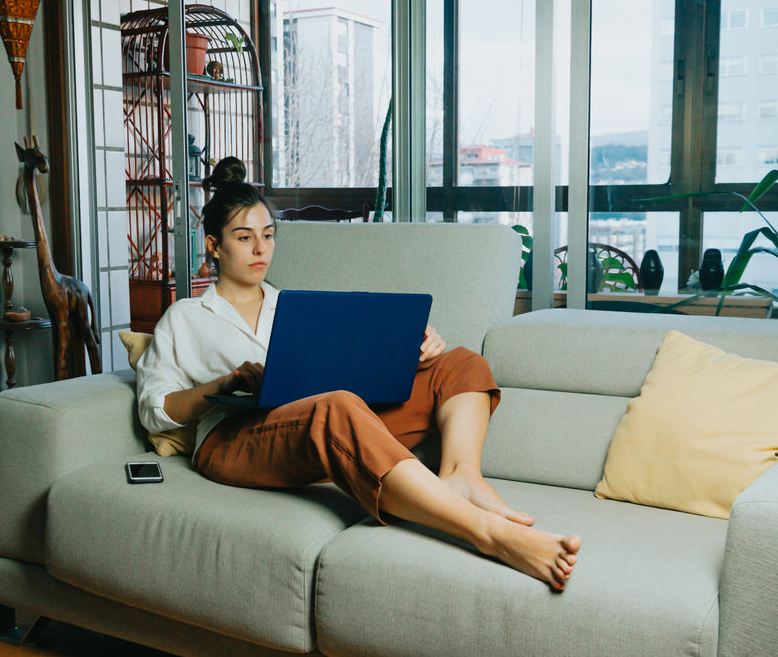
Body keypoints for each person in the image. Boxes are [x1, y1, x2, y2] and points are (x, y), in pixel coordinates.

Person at [136, 156, 580, 590]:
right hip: (232, 440)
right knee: (337, 407)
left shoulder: (295, 306)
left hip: (312, 423)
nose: (260, 249)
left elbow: (342, 372)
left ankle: (462, 475)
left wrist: (409, 352)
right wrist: (222, 384)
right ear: (213, 245)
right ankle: (488, 534)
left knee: (459, 362)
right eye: (244, 237)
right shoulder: (186, 315)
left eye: (268, 236)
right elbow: (156, 411)